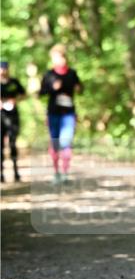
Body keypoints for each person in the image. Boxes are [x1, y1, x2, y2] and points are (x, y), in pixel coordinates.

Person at [40, 45, 83, 184]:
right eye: (54, 58)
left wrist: (79, 88)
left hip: (68, 114)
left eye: (59, 57)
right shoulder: (49, 75)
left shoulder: (72, 73)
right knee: (55, 143)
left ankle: (65, 172)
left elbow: (81, 89)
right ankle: (56, 172)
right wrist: (53, 88)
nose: (57, 60)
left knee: (66, 142)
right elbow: (41, 93)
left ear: (64, 57)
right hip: (53, 113)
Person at [1, 61, 26, 183]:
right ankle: (1, 173)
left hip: (13, 117)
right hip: (1, 117)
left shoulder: (14, 82)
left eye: (4, 69)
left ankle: (16, 172)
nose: (3, 71)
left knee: (12, 144)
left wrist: (15, 100)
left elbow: (24, 94)